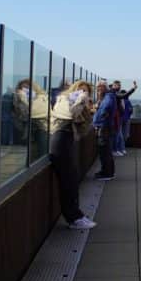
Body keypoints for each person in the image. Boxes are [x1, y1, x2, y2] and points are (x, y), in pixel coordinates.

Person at [49, 80, 97, 229]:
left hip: (67, 141)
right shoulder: (63, 99)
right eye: (80, 90)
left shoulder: (78, 103)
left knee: (71, 180)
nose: (83, 94)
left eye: (86, 92)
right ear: (74, 89)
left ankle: (77, 215)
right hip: (59, 141)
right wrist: (80, 101)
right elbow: (70, 114)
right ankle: (73, 218)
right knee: (68, 182)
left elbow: (84, 128)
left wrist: (86, 108)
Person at [92, 82, 117, 181]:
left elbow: (105, 109)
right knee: (105, 151)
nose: (97, 90)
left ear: (103, 88)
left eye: (98, 88)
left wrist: (100, 115)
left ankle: (107, 173)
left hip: (104, 127)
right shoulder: (108, 96)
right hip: (104, 127)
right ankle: (106, 171)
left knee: (105, 151)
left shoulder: (108, 97)